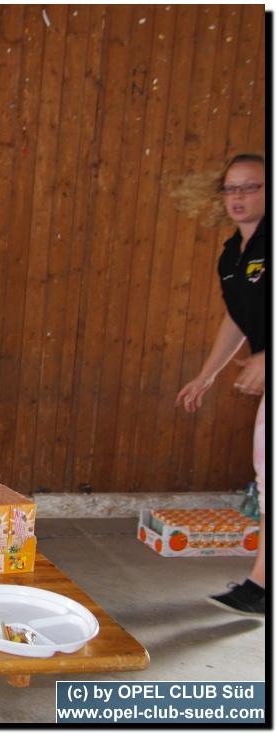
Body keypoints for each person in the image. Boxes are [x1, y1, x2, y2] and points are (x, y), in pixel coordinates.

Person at [174, 152, 266, 618]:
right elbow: (237, 316)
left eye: (251, 187)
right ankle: (260, 586)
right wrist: (207, 373)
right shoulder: (234, 254)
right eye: (232, 188)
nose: (239, 197)